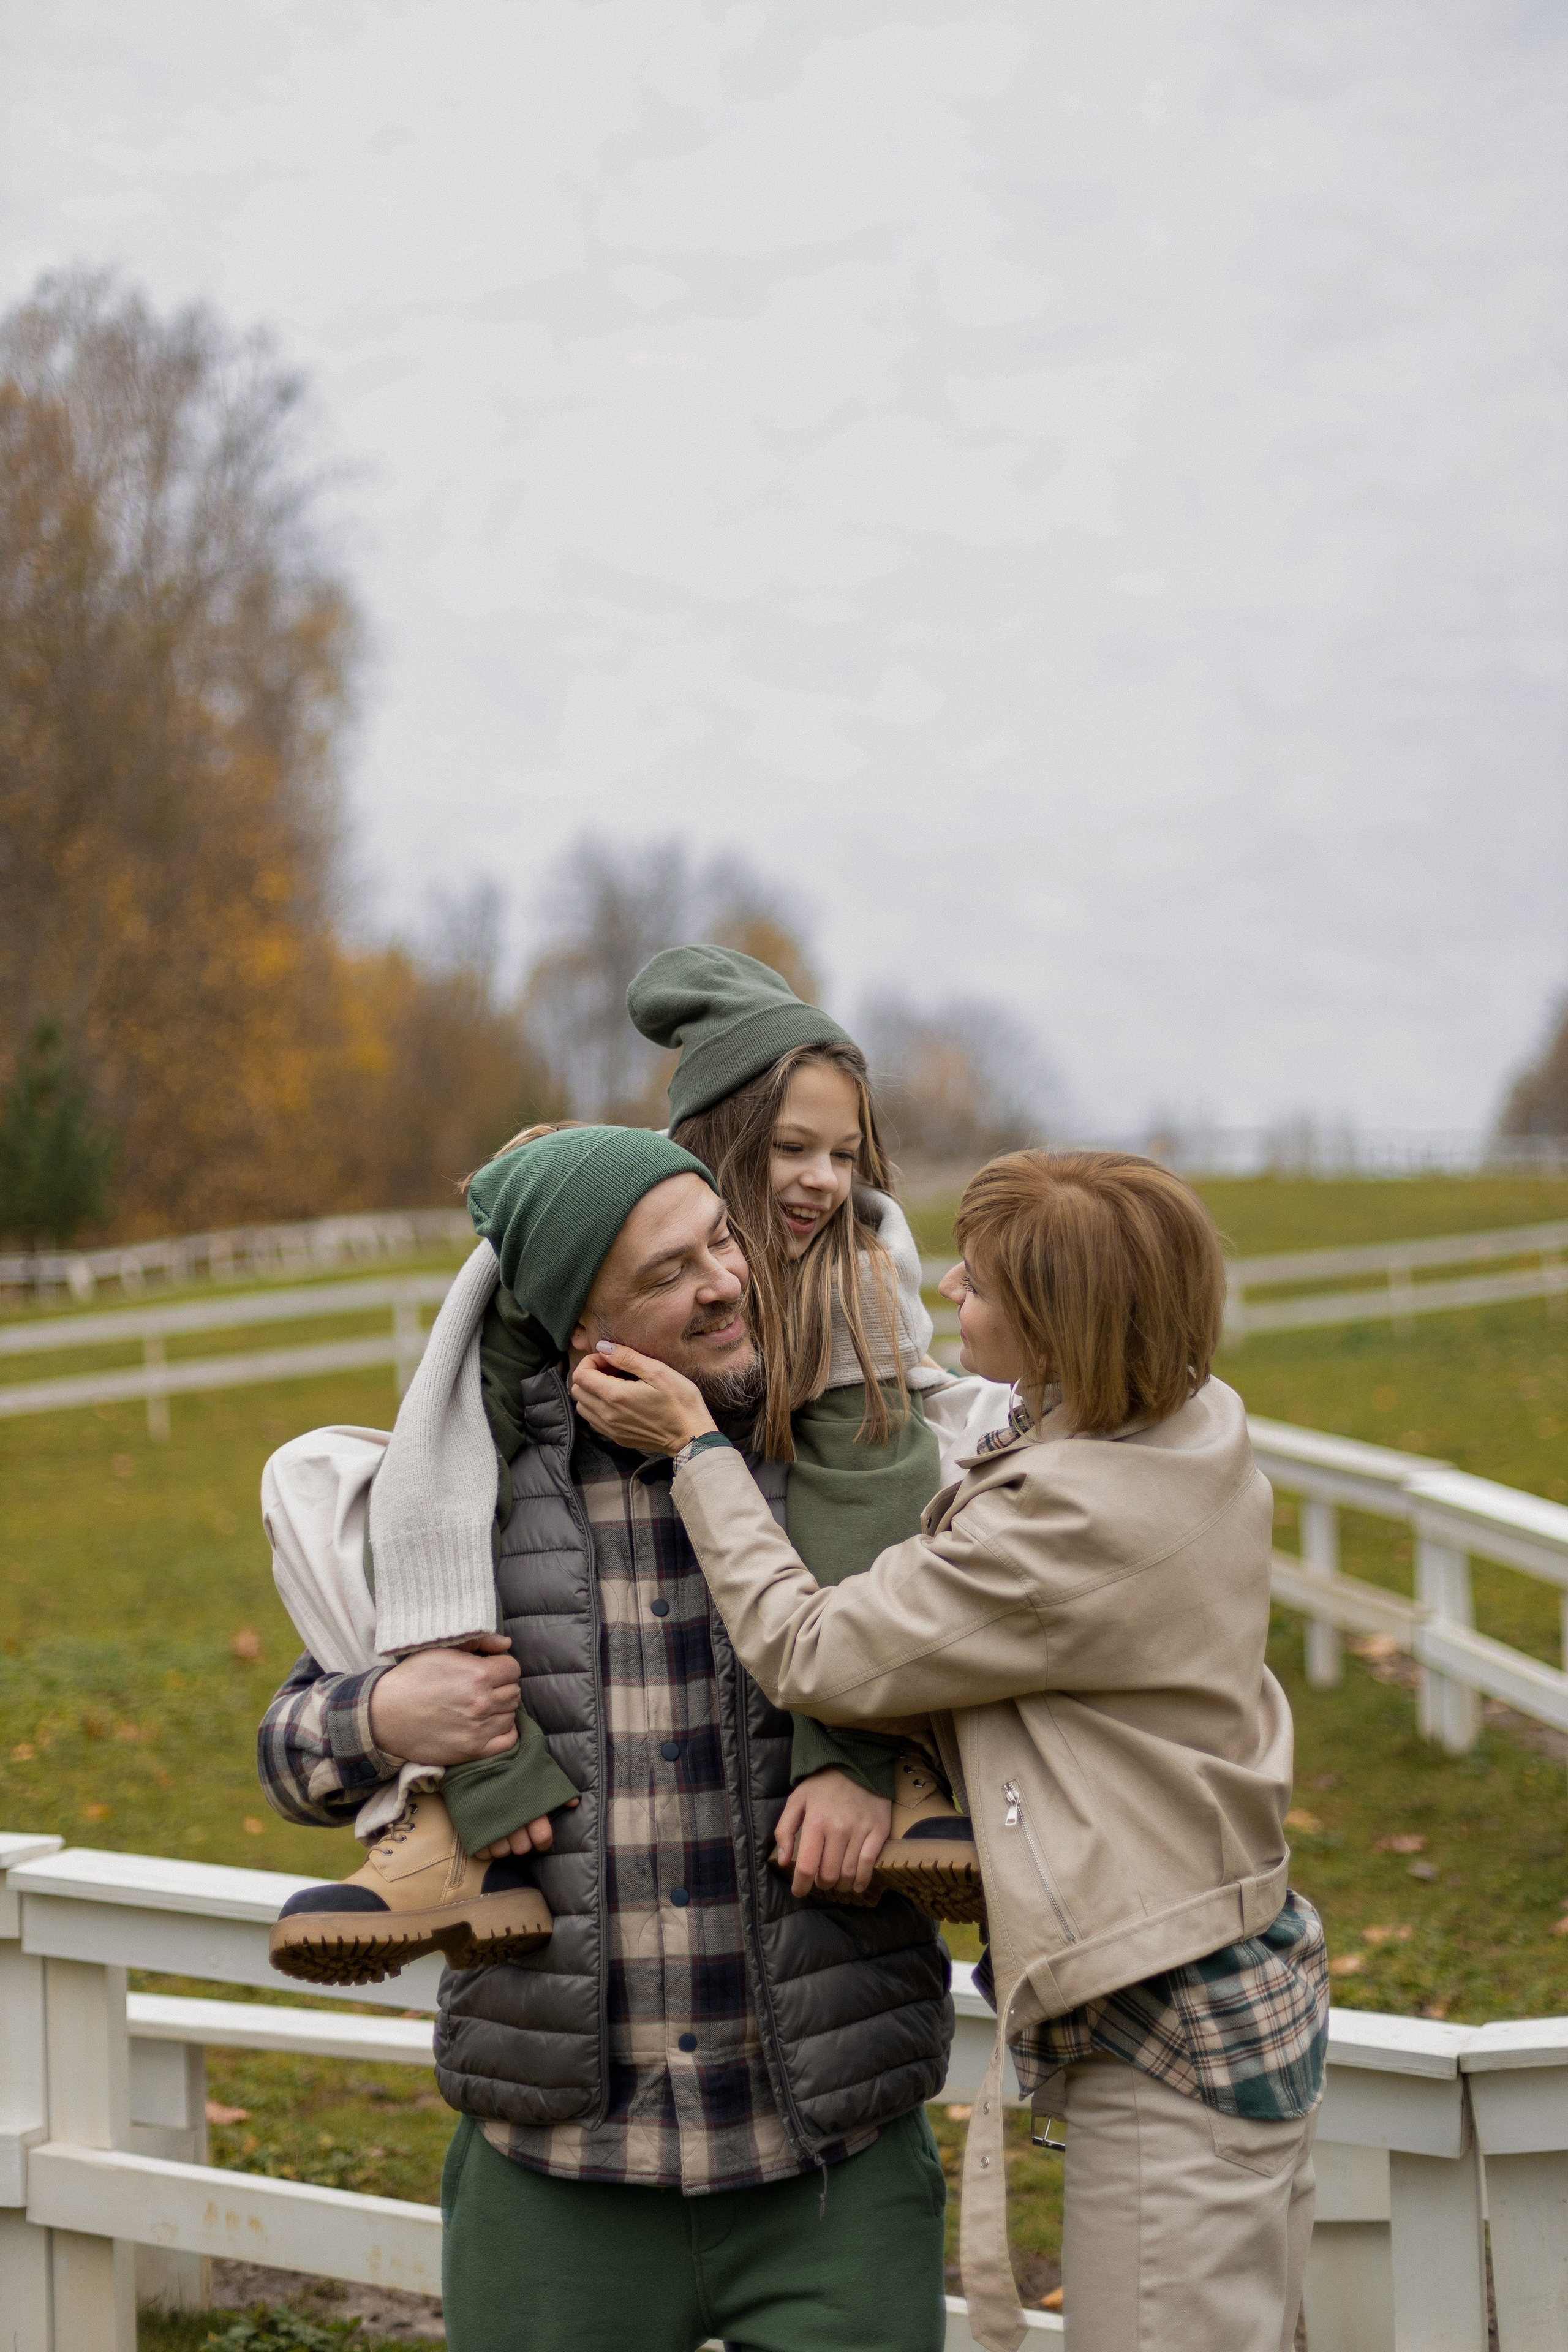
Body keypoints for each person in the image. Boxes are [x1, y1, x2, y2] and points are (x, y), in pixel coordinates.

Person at [570, 1148, 1329, 2352]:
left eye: (978, 1285)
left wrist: (697, 1455)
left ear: (1058, 1323)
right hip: (1227, 1963)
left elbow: (812, 1649)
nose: (948, 1290)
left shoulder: (1073, 1524)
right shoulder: (1187, 1423)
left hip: (1165, 2029)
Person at [256, 1123, 954, 2352]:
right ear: (580, 1323)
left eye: (721, 1243)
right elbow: (286, 1751)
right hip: (553, 2176)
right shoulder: (454, 1509)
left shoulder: (834, 1467)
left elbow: (995, 1680)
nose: (726, 1281)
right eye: (667, 1273)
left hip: (830, 2163)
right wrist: (383, 1716)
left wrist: (871, 1755)